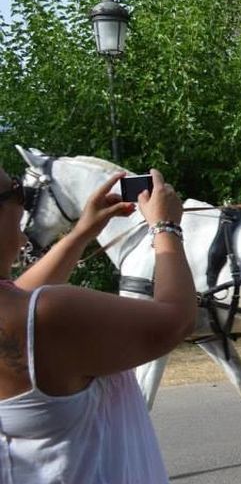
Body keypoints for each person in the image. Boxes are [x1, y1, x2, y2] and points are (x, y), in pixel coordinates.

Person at [0, 166, 196, 483]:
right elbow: (176, 319)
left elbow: (20, 295)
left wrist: (81, 234)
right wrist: (165, 226)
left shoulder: (19, 311)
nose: (25, 202)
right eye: (17, 190)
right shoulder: (49, 314)